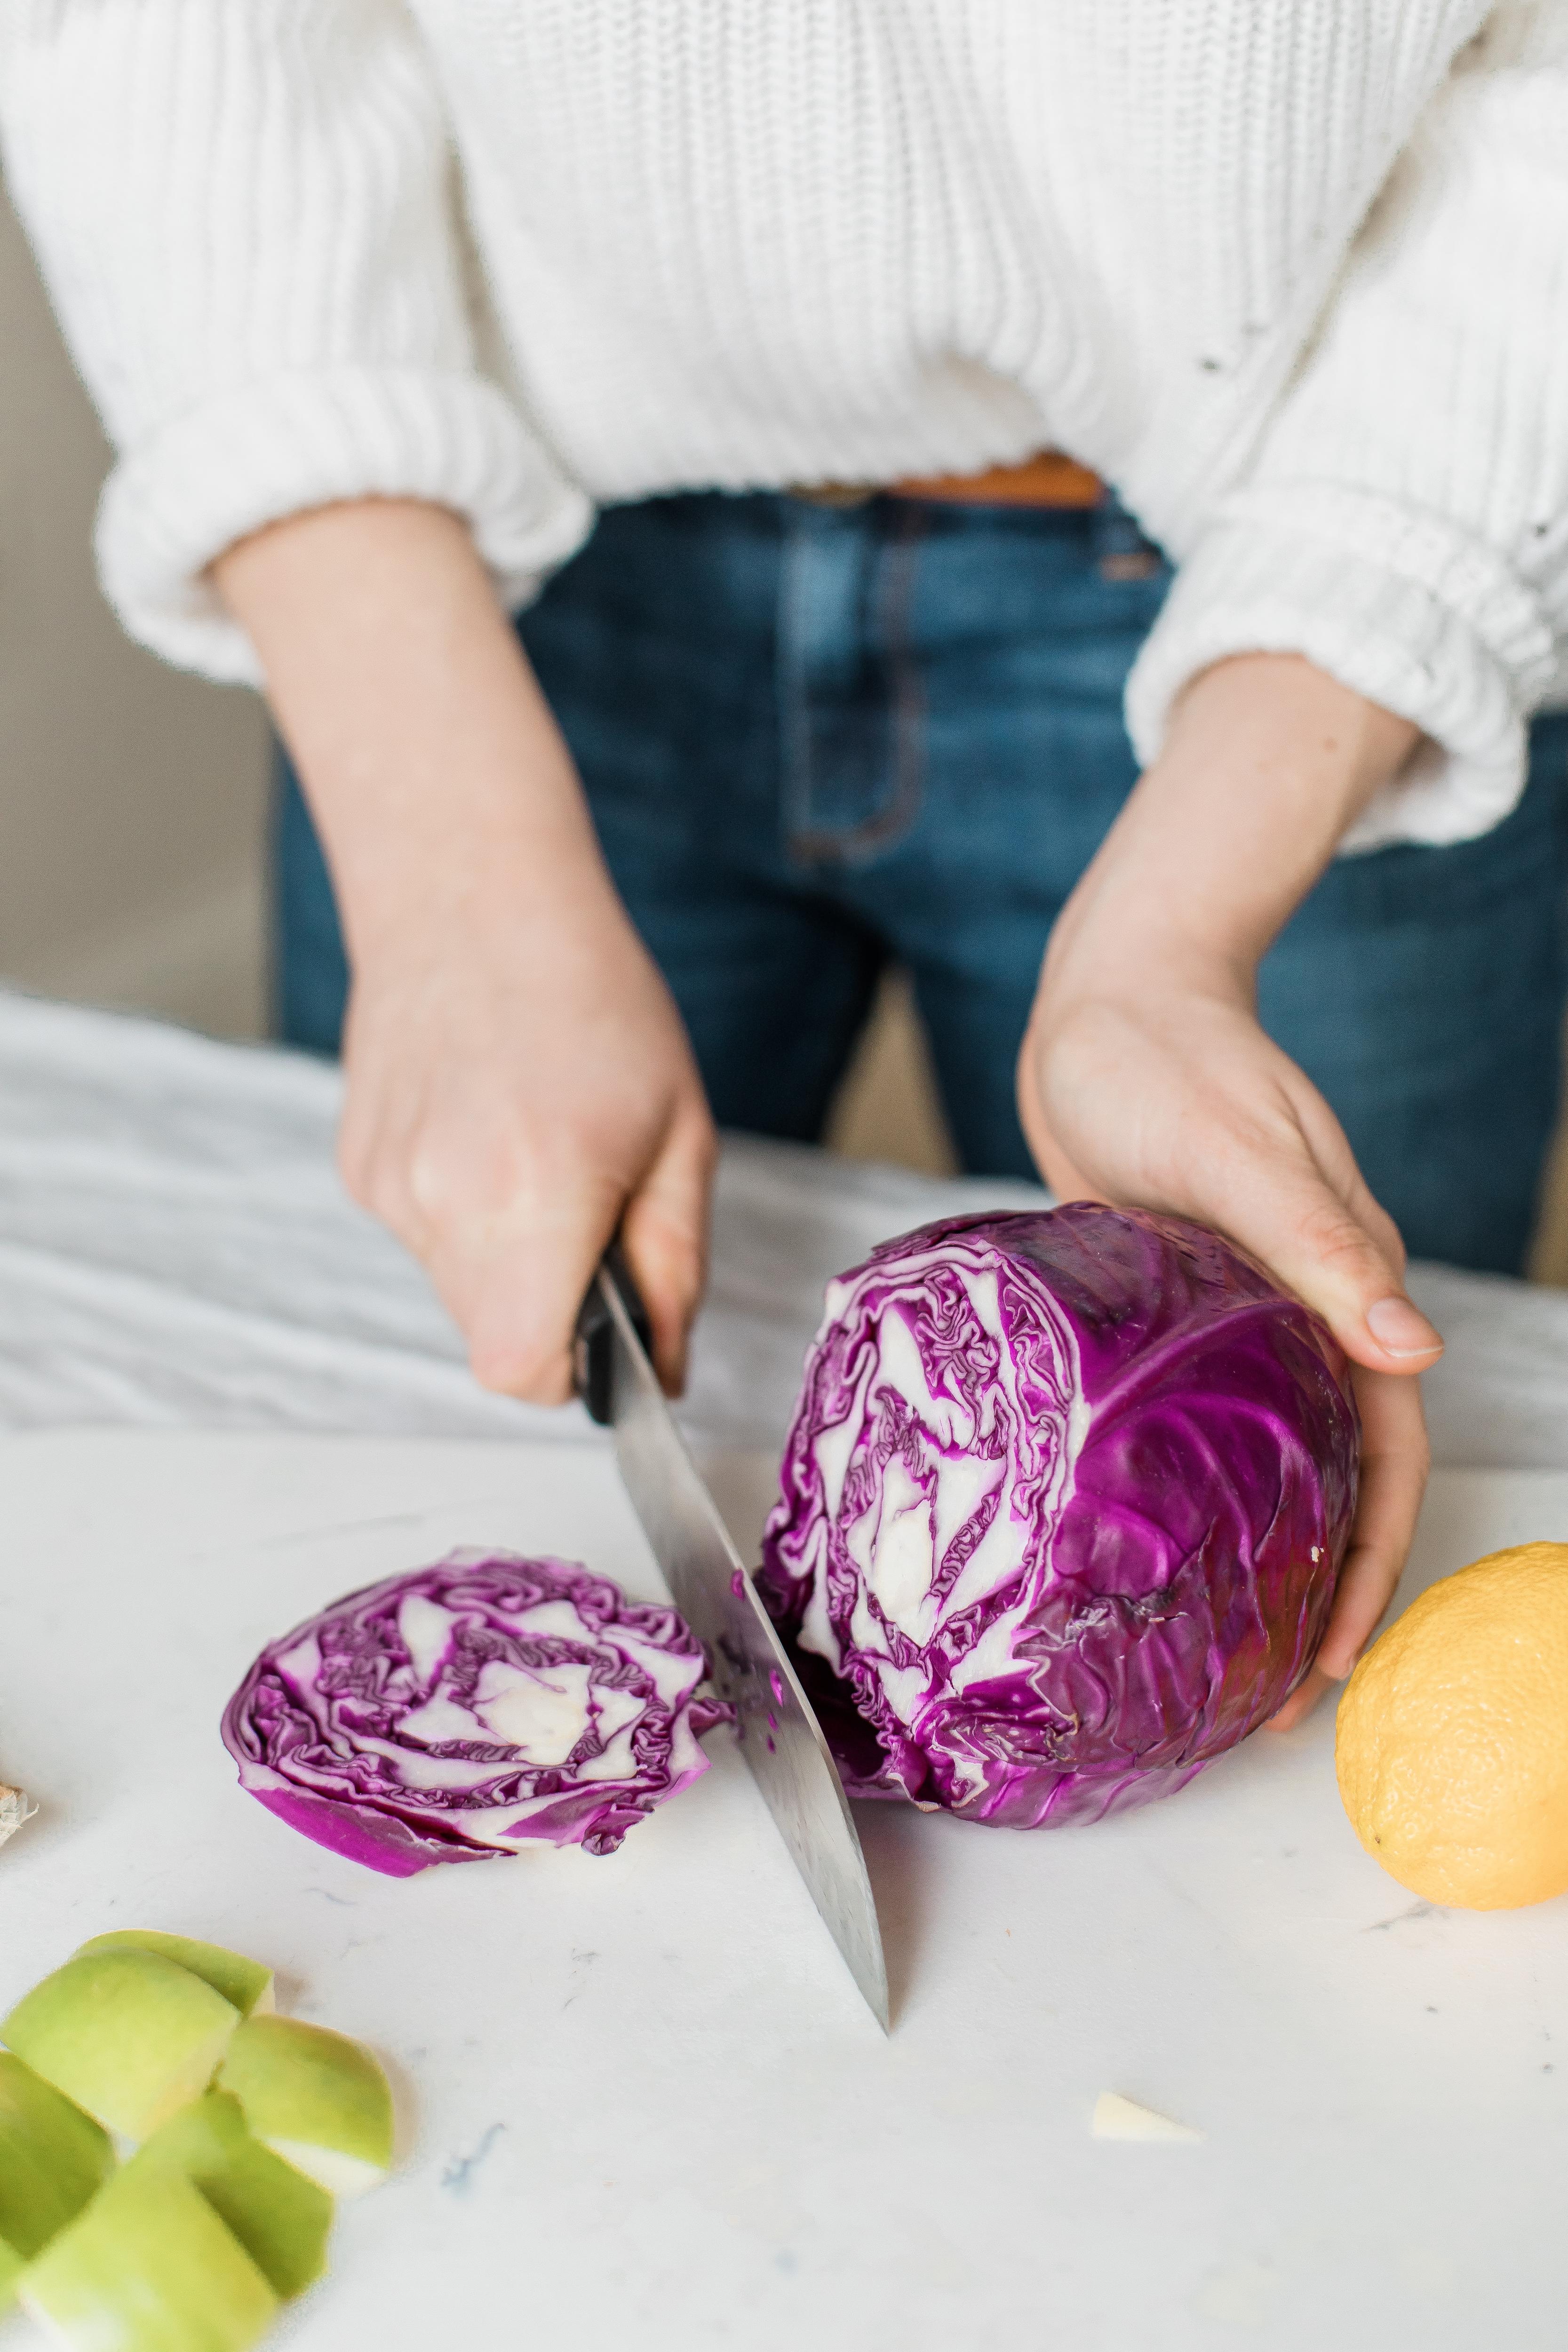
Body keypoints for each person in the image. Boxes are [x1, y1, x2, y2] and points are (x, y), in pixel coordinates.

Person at [3, 4, 1567, 1728]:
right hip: (483, 568)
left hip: (1320, 567)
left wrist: (1171, 942)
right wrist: (445, 878)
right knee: (448, 1423)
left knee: (1315, 1540)